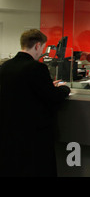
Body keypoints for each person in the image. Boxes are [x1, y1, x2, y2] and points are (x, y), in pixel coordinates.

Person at [0, 29, 70, 177]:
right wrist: (64, 89)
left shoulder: (5, 66)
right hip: (34, 134)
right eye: (43, 48)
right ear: (37, 46)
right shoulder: (36, 68)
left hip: (10, 132)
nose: (42, 52)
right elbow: (52, 96)